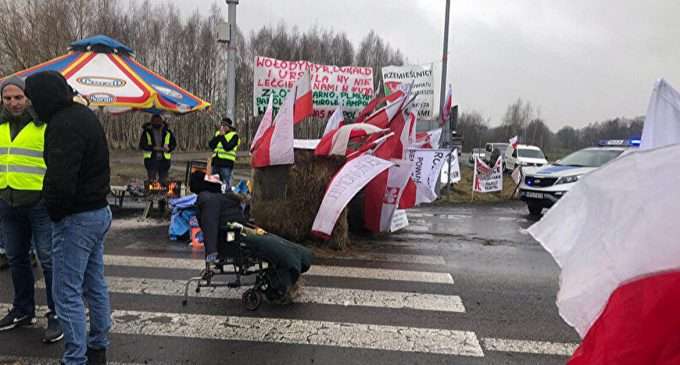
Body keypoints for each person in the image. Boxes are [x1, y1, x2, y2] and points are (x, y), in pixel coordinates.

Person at [25, 71, 112, 365]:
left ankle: (75, 358)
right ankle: (98, 346)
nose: (29, 105)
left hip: (76, 218)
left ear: (44, 98)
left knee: (66, 293)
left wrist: (54, 212)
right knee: (94, 284)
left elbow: (61, 181)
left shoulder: (61, 125)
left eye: (32, 99)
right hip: (99, 211)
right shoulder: (84, 116)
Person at [0, 76, 63, 343]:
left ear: (27, 98)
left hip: (38, 203)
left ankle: (56, 313)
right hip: (7, 201)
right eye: (7, 98)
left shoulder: (44, 125)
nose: (13, 103)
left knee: (48, 259)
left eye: (18, 97)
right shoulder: (1, 126)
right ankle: (23, 309)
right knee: (16, 258)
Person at [189, 171, 311, 303]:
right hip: (236, 238)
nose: (215, 177)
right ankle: (283, 281)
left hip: (241, 233)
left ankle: (294, 265)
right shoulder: (209, 199)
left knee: (277, 244)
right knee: (276, 247)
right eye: (210, 177)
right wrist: (211, 253)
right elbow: (210, 225)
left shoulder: (214, 197)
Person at [139, 114, 176, 184]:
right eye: (155, 121)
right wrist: (153, 148)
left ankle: (162, 193)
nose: (157, 122)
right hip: (151, 161)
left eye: (158, 121)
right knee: (151, 182)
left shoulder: (168, 132)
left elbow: (174, 144)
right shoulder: (147, 132)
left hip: (164, 161)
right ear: (151, 121)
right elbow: (142, 145)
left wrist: (169, 148)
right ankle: (151, 194)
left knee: (164, 182)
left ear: (162, 121)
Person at [209, 117, 239, 188]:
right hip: (216, 163)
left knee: (226, 185)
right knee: (214, 185)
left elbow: (228, 147)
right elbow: (211, 145)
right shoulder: (218, 134)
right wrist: (219, 136)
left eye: (225, 125)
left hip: (226, 164)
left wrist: (222, 137)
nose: (222, 127)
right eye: (221, 125)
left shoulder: (234, 136)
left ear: (229, 127)